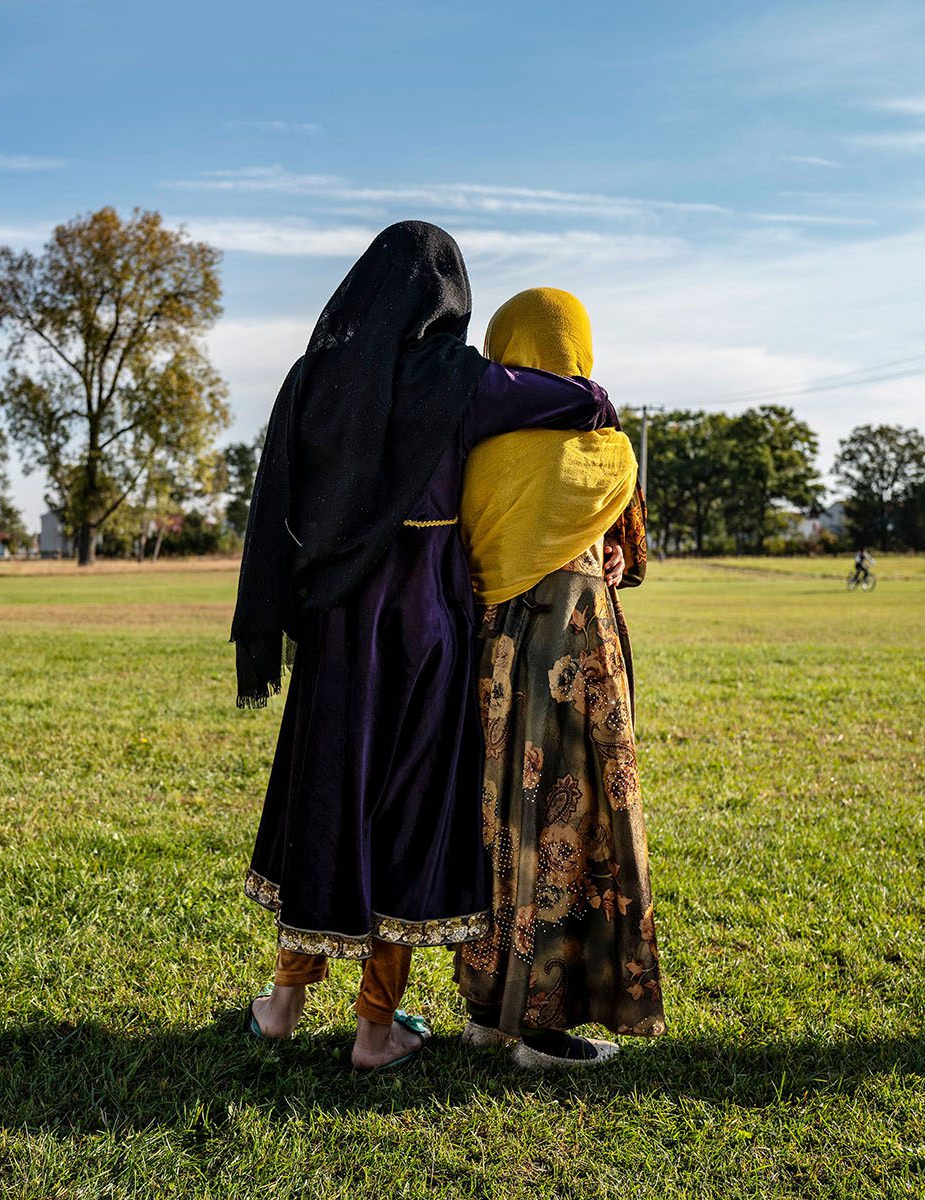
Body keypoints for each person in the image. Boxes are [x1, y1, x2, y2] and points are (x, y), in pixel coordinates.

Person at [231, 224, 620, 1072]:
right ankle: (376, 1028)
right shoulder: (453, 378)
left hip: (337, 622)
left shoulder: (311, 378)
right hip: (425, 625)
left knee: (325, 798)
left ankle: (284, 1003)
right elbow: (561, 396)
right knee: (404, 810)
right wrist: (598, 405)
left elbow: (278, 501)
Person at [452, 287, 666, 1070]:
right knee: (572, 831)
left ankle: (489, 1007)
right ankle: (540, 1029)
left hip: (493, 658)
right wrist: (611, 556)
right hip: (580, 658)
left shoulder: (474, 449)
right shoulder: (608, 448)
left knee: (497, 827)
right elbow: (627, 551)